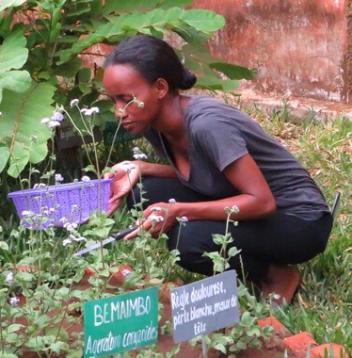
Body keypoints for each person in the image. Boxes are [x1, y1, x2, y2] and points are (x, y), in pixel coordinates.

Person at [103, 35, 333, 304]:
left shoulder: (207, 125)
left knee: (187, 240)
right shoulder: (154, 124)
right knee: (142, 191)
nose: (120, 111)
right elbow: (205, 171)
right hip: (245, 198)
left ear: (161, 88)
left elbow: (262, 202)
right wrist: (142, 168)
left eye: (126, 99)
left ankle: (273, 273)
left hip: (297, 219)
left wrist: (179, 211)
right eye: (114, 101)